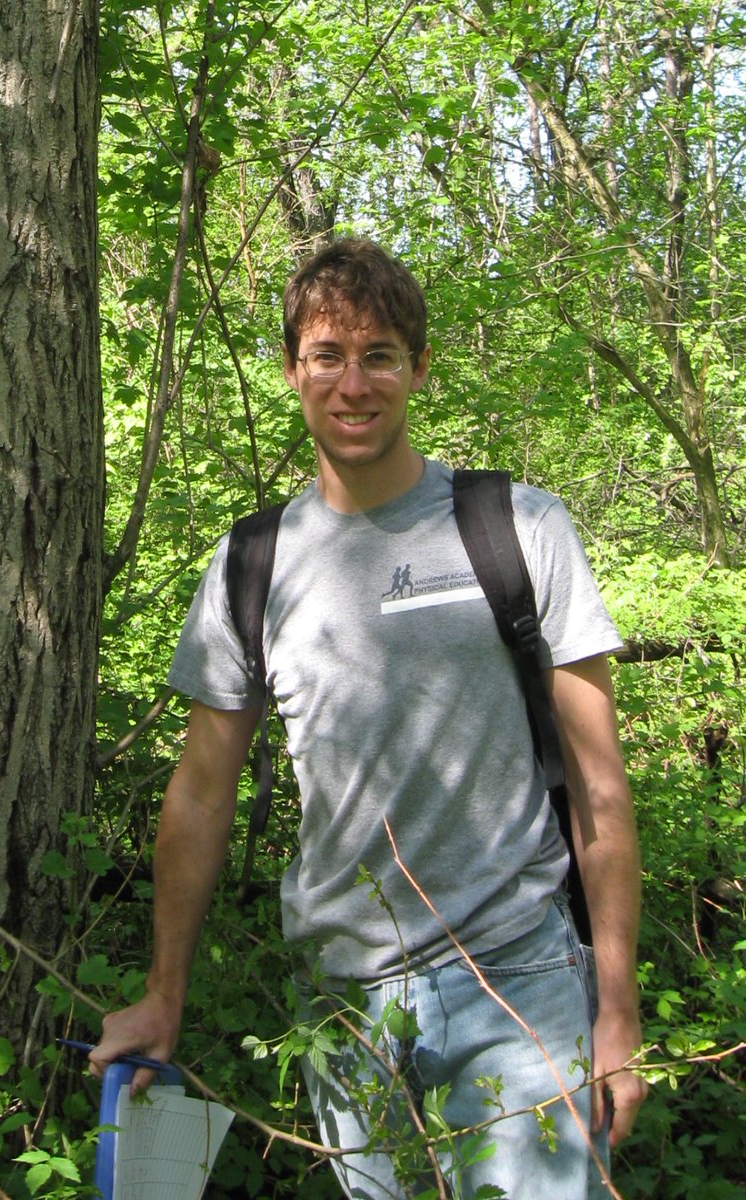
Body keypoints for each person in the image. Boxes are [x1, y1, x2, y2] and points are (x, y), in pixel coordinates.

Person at [89, 239, 647, 1198]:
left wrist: (617, 1007)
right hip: (342, 997)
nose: (354, 384)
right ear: (291, 371)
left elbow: (598, 783)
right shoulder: (249, 564)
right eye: (326, 356)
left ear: (419, 368)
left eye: (379, 355)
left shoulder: (520, 527)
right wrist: (163, 993)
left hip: (515, 975)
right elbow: (199, 796)